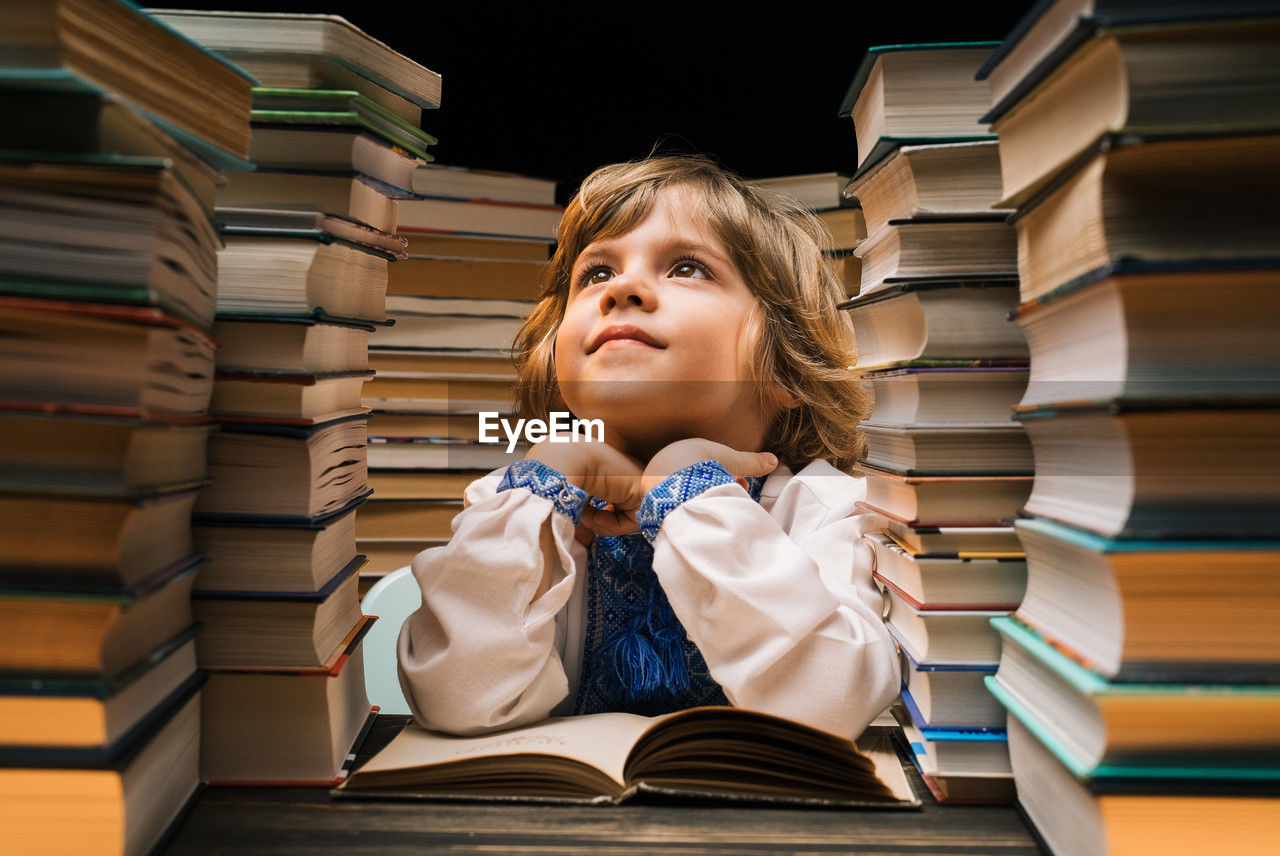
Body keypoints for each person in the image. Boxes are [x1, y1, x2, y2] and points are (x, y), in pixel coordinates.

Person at [396, 155, 899, 740]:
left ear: (784, 366)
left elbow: (831, 704)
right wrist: (547, 479)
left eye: (687, 267)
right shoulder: (518, 506)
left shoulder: (821, 508)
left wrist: (691, 494)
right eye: (597, 274)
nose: (623, 289)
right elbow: (456, 699)